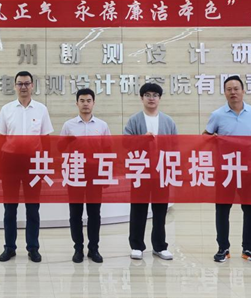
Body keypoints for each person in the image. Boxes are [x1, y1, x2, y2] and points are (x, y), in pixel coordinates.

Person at [204, 75, 251, 265]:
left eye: (236, 88)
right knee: (222, 210)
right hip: (226, 171)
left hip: (250, 170)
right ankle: (223, 248)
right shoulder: (217, 115)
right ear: (224, 92)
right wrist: (210, 140)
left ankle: (249, 249)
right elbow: (205, 136)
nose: (233, 92)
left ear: (243, 91)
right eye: (229, 89)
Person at [0, 71, 53, 263]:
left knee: (33, 208)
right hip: (10, 162)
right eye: (20, 83)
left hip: (34, 163)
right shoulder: (6, 109)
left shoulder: (41, 109)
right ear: (15, 86)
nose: (23, 87)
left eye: (27, 83)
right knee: (10, 209)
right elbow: (0, 140)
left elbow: (46, 141)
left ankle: (33, 248)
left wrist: (45, 166)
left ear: (32, 86)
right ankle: (9, 247)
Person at [123, 82, 176, 261]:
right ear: (141, 98)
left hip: (161, 172)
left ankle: (160, 246)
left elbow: (175, 146)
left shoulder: (168, 121)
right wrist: (141, 140)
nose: (151, 98)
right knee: (138, 209)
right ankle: (136, 246)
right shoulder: (134, 120)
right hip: (141, 171)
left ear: (159, 98)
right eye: (147, 95)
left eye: (155, 95)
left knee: (160, 211)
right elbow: (125, 143)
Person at [59, 88, 110, 263]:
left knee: (94, 213)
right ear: (77, 103)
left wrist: (105, 175)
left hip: (95, 173)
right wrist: (66, 142)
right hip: (75, 172)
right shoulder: (68, 125)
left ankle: (94, 249)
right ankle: (78, 249)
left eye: (89, 100)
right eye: (82, 100)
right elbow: (59, 149)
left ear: (93, 103)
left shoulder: (102, 125)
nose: (85, 104)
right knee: (75, 213)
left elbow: (108, 151)